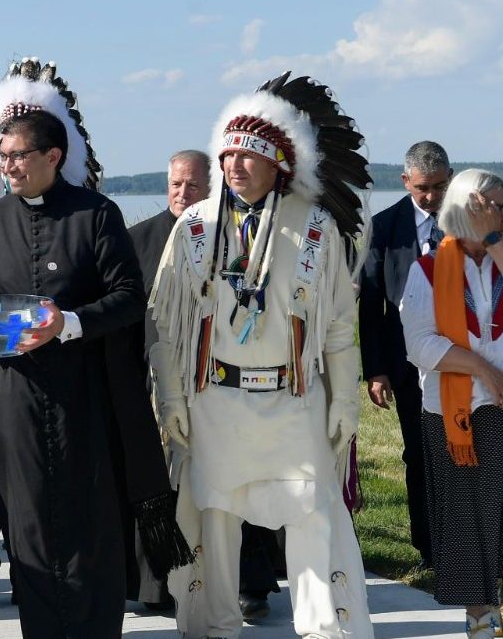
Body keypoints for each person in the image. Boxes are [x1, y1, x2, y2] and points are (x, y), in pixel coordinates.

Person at [149, 73, 374, 639]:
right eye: (228, 155)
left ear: (281, 165)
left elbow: (340, 330)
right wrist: (172, 395)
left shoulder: (316, 230)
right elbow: (166, 325)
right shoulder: (195, 227)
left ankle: (323, 629)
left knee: (311, 515)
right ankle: (219, 627)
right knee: (215, 516)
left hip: (292, 398)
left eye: (251, 156)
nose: (235, 166)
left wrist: (344, 398)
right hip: (215, 399)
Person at [0, 103, 187, 637]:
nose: (8, 166)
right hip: (17, 396)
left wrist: (69, 323)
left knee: (91, 519)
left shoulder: (96, 214)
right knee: (29, 521)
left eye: (18, 156)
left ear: (53, 156)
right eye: (2, 157)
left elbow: (131, 297)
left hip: (86, 395)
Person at [400, 169, 503, 639]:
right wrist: (483, 369)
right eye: (484, 206)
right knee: (469, 510)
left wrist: (493, 238)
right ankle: (480, 612)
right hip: (459, 412)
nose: (497, 213)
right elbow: (419, 345)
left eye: (502, 206)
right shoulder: (427, 268)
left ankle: (493, 601)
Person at [125, 148, 211, 615]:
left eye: (193, 185)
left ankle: (237, 581)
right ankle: (155, 585)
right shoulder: (137, 239)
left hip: (212, 385)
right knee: (155, 483)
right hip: (151, 384)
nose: (183, 193)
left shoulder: (227, 239)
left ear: (210, 188)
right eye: (176, 184)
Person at [360, 140, 453, 570]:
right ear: (405, 182)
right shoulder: (383, 228)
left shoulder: (470, 222)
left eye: (439, 186)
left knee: (461, 452)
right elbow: (371, 306)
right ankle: (430, 549)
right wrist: (376, 370)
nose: (431, 197)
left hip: (461, 359)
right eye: (422, 189)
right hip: (406, 364)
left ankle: (467, 545)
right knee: (418, 453)